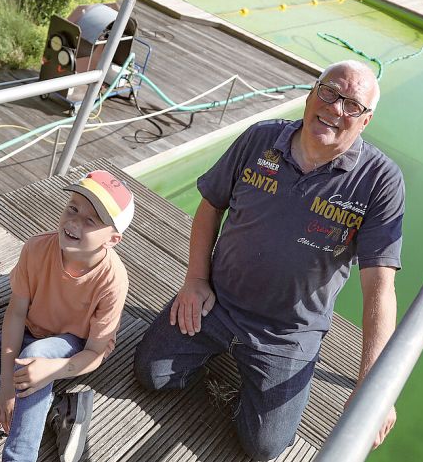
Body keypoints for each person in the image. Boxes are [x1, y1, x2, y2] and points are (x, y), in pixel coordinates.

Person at [134, 60, 404, 460]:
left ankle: (241, 383)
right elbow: (211, 205)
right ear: (312, 93)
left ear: (365, 120)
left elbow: (379, 289)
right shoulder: (260, 138)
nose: (334, 108)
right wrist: (195, 280)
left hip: (289, 333)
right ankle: (221, 357)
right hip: (218, 302)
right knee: (150, 374)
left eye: (351, 104)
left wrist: (373, 386)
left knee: (265, 447)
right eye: (329, 92)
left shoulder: (380, 181)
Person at [0, 170, 133, 462]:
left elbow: (95, 351)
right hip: (31, 330)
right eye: (73, 208)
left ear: (113, 239)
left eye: (91, 220)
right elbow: (16, 313)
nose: (74, 221)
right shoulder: (35, 248)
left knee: (37, 352)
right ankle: (57, 408)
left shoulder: (113, 279)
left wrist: (55, 370)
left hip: (72, 345)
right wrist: (6, 384)